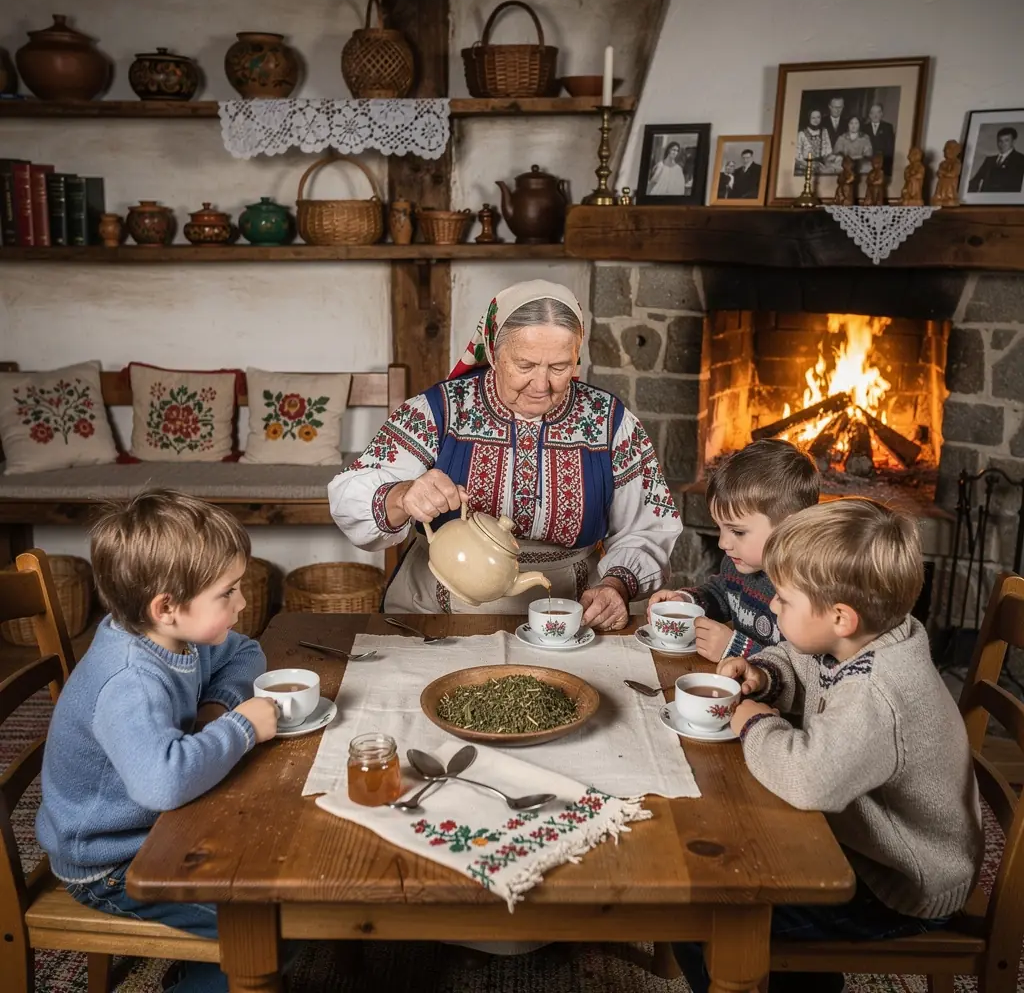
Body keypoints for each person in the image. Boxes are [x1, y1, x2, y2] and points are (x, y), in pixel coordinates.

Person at [675, 498, 984, 993]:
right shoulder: (872, 637)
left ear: (840, 617)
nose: (772, 607)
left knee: (707, 915)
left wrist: (754, 722)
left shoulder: (877, 692)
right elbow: (802, 665)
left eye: (784, 600)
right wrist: (764, 673)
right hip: (864, 844)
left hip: (899, 884)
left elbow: (808, 779)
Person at [330, 279, 682, 629]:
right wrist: (402, 495)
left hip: (569, 620)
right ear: (493, 353)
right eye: (525, 365)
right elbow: (350, 494)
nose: (542, 384)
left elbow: (648, 529)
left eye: (560, 367)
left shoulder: (610, 422)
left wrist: (615, 586)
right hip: (436, 612)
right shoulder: (439, 412)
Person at [36, 490, 278, 993]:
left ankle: (205, 962)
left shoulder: (176, 637)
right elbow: (162, 783)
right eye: (228, 592)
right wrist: (240, 728)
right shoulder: (130, 680)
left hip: (155, 828)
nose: (244, 601)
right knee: (273, 926)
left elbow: (247, 652)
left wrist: (216, 708)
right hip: (110, 861)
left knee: (266, 853)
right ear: (166, 606)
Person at [647, 439, 819, 662]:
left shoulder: (810, 592)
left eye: (737, 532)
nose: (723, 543)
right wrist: (687, 602)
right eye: (719, 528)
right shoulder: (739, 564)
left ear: (789, 529)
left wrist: (736, 650)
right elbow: (723, 593)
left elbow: (803, 673)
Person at [968, 126, 1024, 193]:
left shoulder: (1021, 159)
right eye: (1000, 141)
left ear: (1013, 142)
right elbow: (975, 181)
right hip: (985, 199)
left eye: (1006, 140)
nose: (1002, 144)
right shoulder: (989, 160)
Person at [795, 109, 834, 176]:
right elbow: (797, 155)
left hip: (822, 164)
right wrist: (809, 165)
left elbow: (828, 150)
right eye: (813, 118)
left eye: (818, 117)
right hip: (805, 165)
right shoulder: (802, 133)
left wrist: (824, 162)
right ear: (809, 118)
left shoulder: (824, 131)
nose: (816, 120)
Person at [865, 103, 896, 175]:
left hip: (883, 162)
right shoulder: (864, 128)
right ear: (869, 115)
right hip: (867, 162)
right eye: (873, 113)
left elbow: (890, 147)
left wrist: (883, 161)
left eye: (878, 112)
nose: (875, 115)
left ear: (882, 114)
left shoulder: (888, 127)